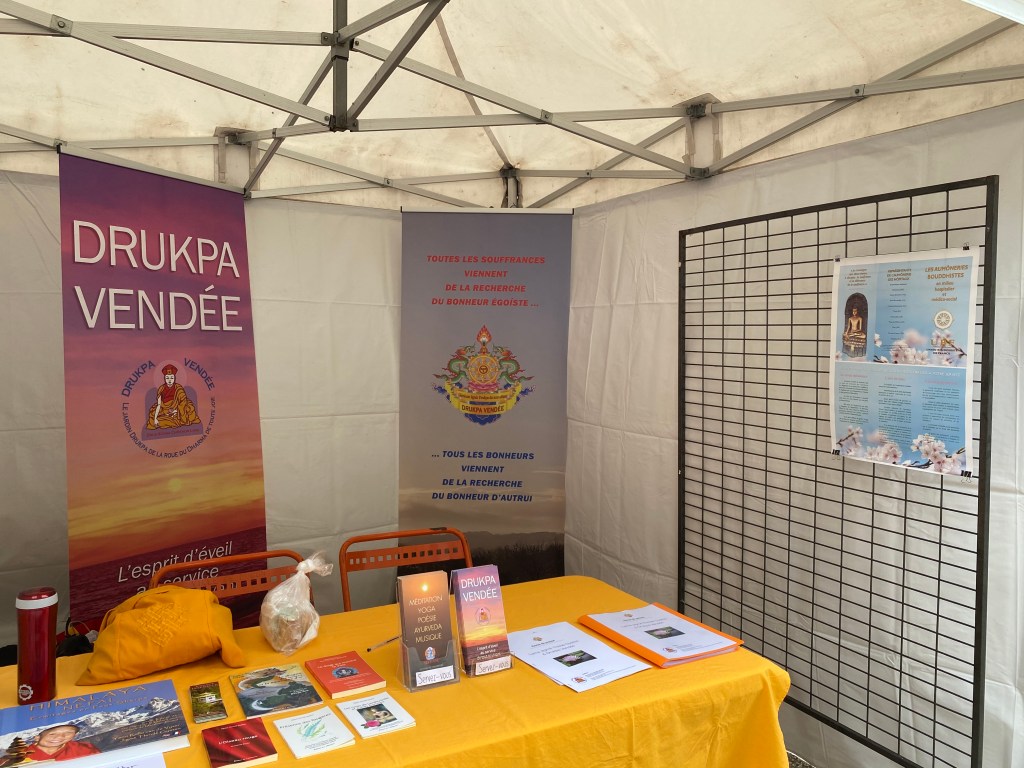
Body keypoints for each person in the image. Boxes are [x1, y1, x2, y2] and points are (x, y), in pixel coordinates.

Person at [147, 364, 201, 429]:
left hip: (177, 410)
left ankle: (174, 419)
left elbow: (182, 403)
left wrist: (176, 411)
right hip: (164, 409)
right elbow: (159, 405)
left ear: (175, 378)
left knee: (189, 409)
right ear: (164, 378)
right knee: (153, 417)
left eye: (172, 378)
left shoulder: (178, 388)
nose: (169, 380)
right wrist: (155, 418)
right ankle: (171, 420)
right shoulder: (161, 389)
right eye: (167, 378)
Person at [24, 724, 100, 762]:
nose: (60, 737)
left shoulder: (84, 749)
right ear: (37, 738)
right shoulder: (23, 753)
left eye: (68, 733)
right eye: (52, 734)